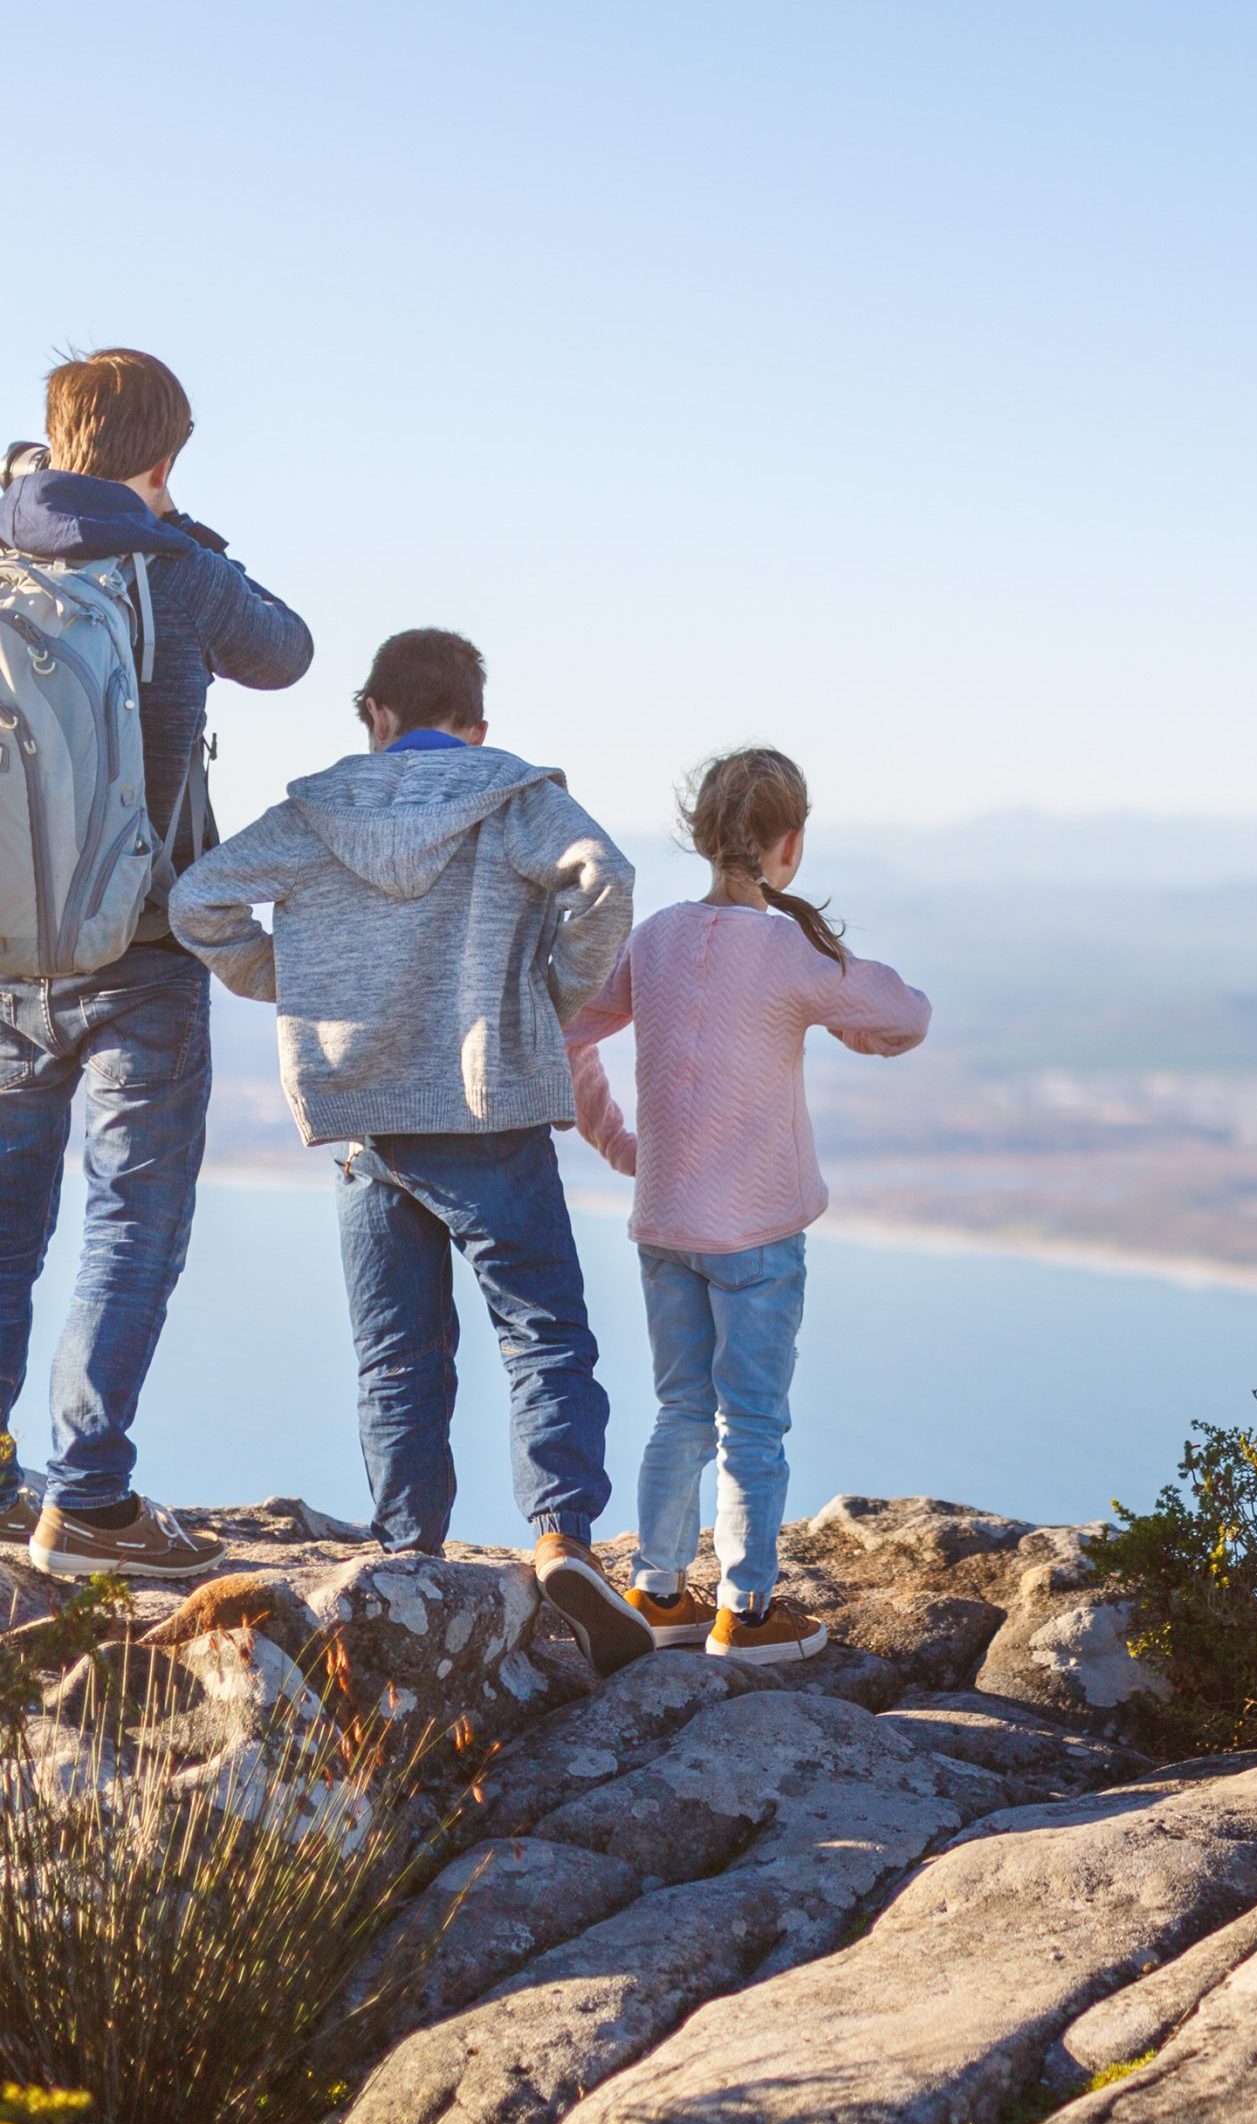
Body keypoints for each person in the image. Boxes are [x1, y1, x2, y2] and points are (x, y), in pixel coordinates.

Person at [169, 629, 655, 1672]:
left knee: (398, 1353)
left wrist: (293, 983)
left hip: (365, 1119)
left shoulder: (314, 811)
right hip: (491, 1112)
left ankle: (405, 1556)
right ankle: (564, 1534)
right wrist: (548, 996)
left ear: (373, 714)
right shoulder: (513, 795)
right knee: (541, 1332)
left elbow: (197, 897)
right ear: (477, 725)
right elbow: (604, 877)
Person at [0, 348, 313, 1578]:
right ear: (165, 454)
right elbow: (286, 649)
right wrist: (183, 532)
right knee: (132, 1223)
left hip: (6, 958)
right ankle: (89, 1499)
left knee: (4, 1227)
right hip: (143, 953)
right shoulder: (174, 569)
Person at [564, 748, 929, 1665]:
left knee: (679, 1411)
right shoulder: (791, 951)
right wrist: (839, 1007)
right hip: (758, 1234)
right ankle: (748, 1611)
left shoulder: (653, 939)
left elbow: (570, 1037)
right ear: (790, 844)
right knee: (752, 1424)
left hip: (664, 1222)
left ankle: (655, 1592)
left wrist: (622, 1147)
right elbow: (907, 1015)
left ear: (700, 837)